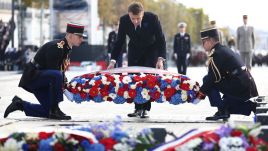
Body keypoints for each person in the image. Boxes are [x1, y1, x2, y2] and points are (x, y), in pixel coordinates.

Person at [4, 23, 85, 120]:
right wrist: (64, 88)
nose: (82, 39)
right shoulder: (57, 47)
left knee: (48, 112)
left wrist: (68, 85)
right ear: (70, 36)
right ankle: (55, 108)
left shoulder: (66, 49)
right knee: (57, 75)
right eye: (79, 36)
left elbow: (59, 71)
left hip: (43, 79)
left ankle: (20, 104)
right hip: (34, 78)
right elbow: (54, 73)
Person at [107, 2, 166, 118]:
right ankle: (137, 108)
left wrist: (160, 59)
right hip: (134, 50)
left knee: (147, 79)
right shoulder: (124, 20)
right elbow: (119, 42)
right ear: (129, 15)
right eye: (132, 18)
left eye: (138, 18)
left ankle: (146, 109)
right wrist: (112, 61)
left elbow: (161, 39)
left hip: (150, 50)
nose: (135, 21)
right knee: (134, 79)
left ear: (143, 14)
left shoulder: (153, 18)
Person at [196, 27, 258, 121]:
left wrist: (200, 94)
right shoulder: (223, 49)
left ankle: (222, 110)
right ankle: (227, 108)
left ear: (210, 41)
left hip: (240, 85)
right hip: (246, 85)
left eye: (203, 42)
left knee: (207, 80)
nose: (203, 45)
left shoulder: (217, 54)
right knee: (217, 84)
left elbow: (211, 78)